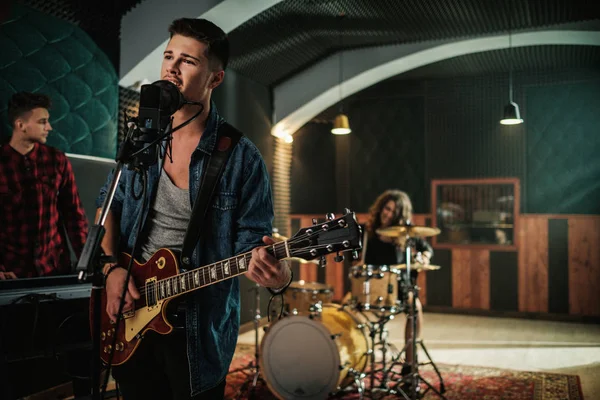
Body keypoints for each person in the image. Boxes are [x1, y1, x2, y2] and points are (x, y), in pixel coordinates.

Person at [95, 18, 291, 400]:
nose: (171, 67)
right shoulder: (142, 138)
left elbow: (254, 245)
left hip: (198, 326)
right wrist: (111, 269)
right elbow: (108, 207)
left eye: (187, 60)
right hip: (131, 309)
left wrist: (275, 273)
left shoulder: (240, 157)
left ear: (214, 79)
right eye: (168, 56)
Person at [0, 92, 88, 280]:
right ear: (21, 125)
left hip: (53, 267)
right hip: (12, 271)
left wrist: (87, 263)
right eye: (42, 122)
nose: (49, 127)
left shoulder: (56, 160)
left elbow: (74, 215)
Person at [361, 189, 433, 380]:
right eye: (387, 208)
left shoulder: (404, 234)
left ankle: (409, 364)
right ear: (380, 208)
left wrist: (424, 256)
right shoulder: (366, 232)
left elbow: (427, 249)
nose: (388, 214)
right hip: (370, 286)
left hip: (398, 288)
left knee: (415, 309)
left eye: (393, 212)